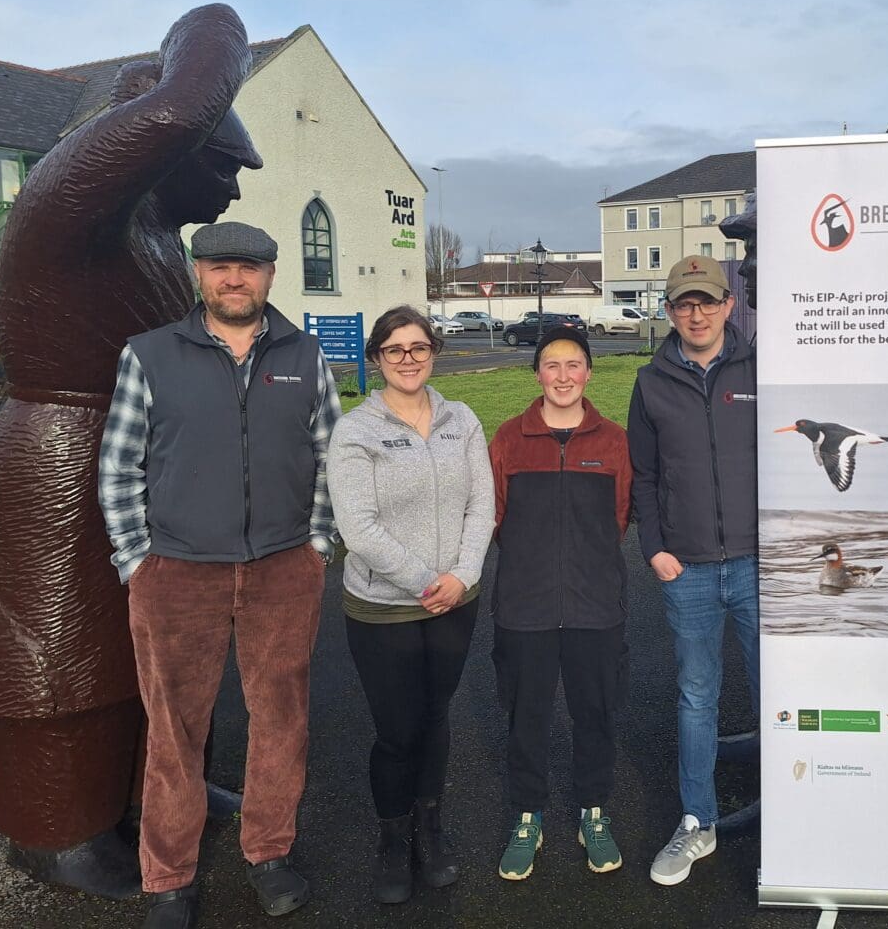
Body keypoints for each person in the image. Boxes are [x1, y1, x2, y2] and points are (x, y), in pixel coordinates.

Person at [0, 3, 261, 899]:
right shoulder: (73, 203)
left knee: (155, 641)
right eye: (225, 163)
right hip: (66, 449)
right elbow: (180, 100)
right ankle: (55, 831)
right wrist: (213, 27)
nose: (237, 191)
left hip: (139, 451)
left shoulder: (157, 237)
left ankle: (150, 791)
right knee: (61, 645)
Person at [99, 221, 340, 929]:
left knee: (281, 721)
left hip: (281, 568)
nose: (234, 279)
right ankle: (168, 878)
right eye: (219, 267)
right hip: (176, 573)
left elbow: (329, 454)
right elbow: (119, 463)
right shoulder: (149, 355)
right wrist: (136, 558)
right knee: (174, 730)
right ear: (198, 275)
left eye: (250, 267)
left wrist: (317, 544)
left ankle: (268, 852)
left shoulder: (305, 353)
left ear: (270, 276)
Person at [328, 305, 494, 905]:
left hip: (456, 600)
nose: (407, 359)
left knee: (436, 717)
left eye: (418, 347)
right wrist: (429, 579)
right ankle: (392, 839)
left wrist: (464, 574)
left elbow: (482, 506)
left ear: (433, 353)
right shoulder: (356, 430)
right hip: (384, 609)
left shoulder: (462, 419)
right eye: (394, 349)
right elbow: (358, 525)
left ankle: (431, 828)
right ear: (376, 358)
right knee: (397, 731)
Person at [627, 254, 758, 886]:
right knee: (696, 696)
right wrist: (655, 546)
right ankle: (696, 821)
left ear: (729, 305)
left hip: (761, 565)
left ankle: (794, 813)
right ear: (669, 310)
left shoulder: (763, 368)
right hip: (691, 571)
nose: (697, 313)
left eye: (707, 301)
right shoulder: (651, 381)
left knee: (776, 695)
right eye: (684, 303)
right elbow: (645, 476)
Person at [488, 327, 632, 882]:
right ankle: (527, 815)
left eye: (574, 365)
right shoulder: (508, 438)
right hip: (525, 608)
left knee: (594, 715)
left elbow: (617, 519)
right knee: (527, 717)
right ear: (538, 374)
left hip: (596, 606)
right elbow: (497, 518)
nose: (564, 376)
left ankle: (593, 811)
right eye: (553, 365)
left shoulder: (613, 440)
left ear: (589, 373)